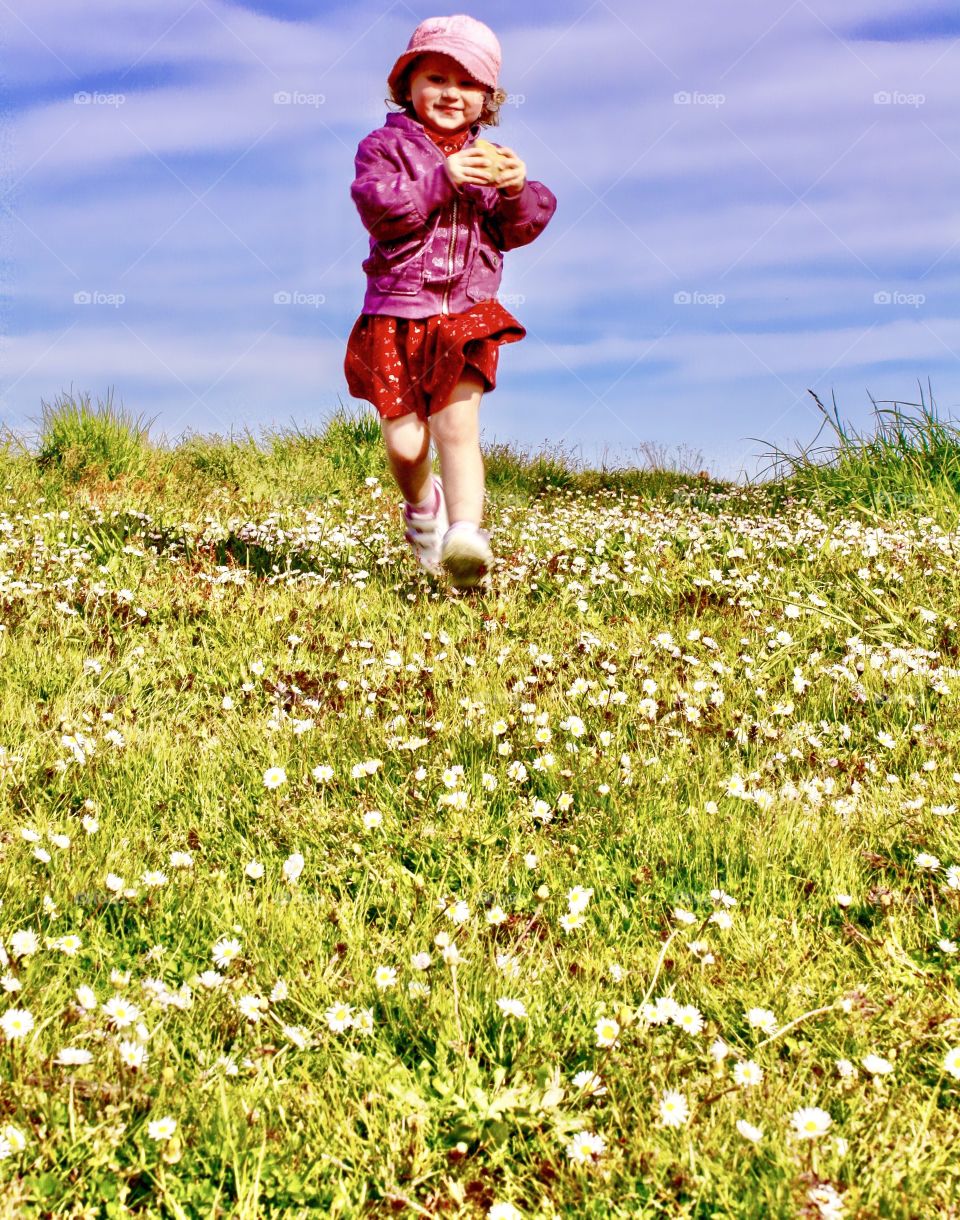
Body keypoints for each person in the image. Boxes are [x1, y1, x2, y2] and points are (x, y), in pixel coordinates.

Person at [344, 14, 557, 588]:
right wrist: (443, 178)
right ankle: (422, 511)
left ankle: (467, 537)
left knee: (457, 428)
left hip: (466, 313)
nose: (450, 94)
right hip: (396, 312)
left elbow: (519, 227)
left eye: (467, 85)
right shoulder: (384, 147)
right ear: (406, 85)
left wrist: (517, 191)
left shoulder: (491, 159)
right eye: (435, 78)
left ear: (487, 99)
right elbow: (380, 210)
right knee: (407, 444)